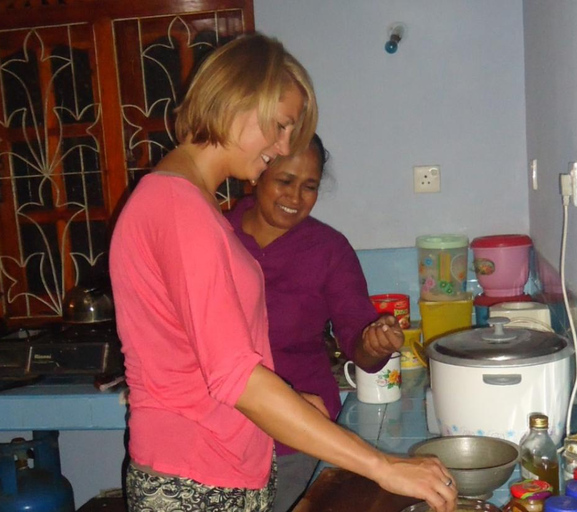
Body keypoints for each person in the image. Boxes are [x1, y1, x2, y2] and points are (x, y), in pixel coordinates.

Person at [109, 33, 457, 512]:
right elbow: (238, 379)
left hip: (221, 468)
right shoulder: (177, 207)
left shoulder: (193, 205)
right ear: (235, 100)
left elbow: (208, 366)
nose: (284, 144)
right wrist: (382, 465)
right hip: (195, 482)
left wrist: (292, 407)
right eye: (280, 125)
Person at [226, 134, 404, 511]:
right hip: (223, 438)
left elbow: (359, 340)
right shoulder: (218, 236)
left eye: (309, 187)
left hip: (299, 441)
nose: (295, 198)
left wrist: (372, 345)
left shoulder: (328, 249)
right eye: (285, 182)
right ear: (258, 173)